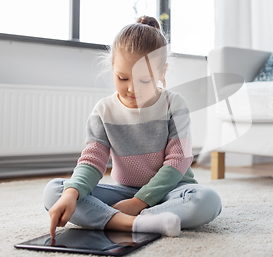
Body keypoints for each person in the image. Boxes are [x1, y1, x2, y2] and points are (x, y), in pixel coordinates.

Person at [44, 16, 222, 238]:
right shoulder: (103, 111)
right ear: (113, 68)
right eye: (122, 78)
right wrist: (72, 193)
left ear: (162, 73)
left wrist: (140, 202)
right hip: (125, 193)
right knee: (55, 191)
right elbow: (92, 160)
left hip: (171, 190)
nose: (131, 89)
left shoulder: (175, 104)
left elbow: (180, 159)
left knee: (207, 200)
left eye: (144, 80)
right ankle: (133, 223)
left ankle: (114, 219)